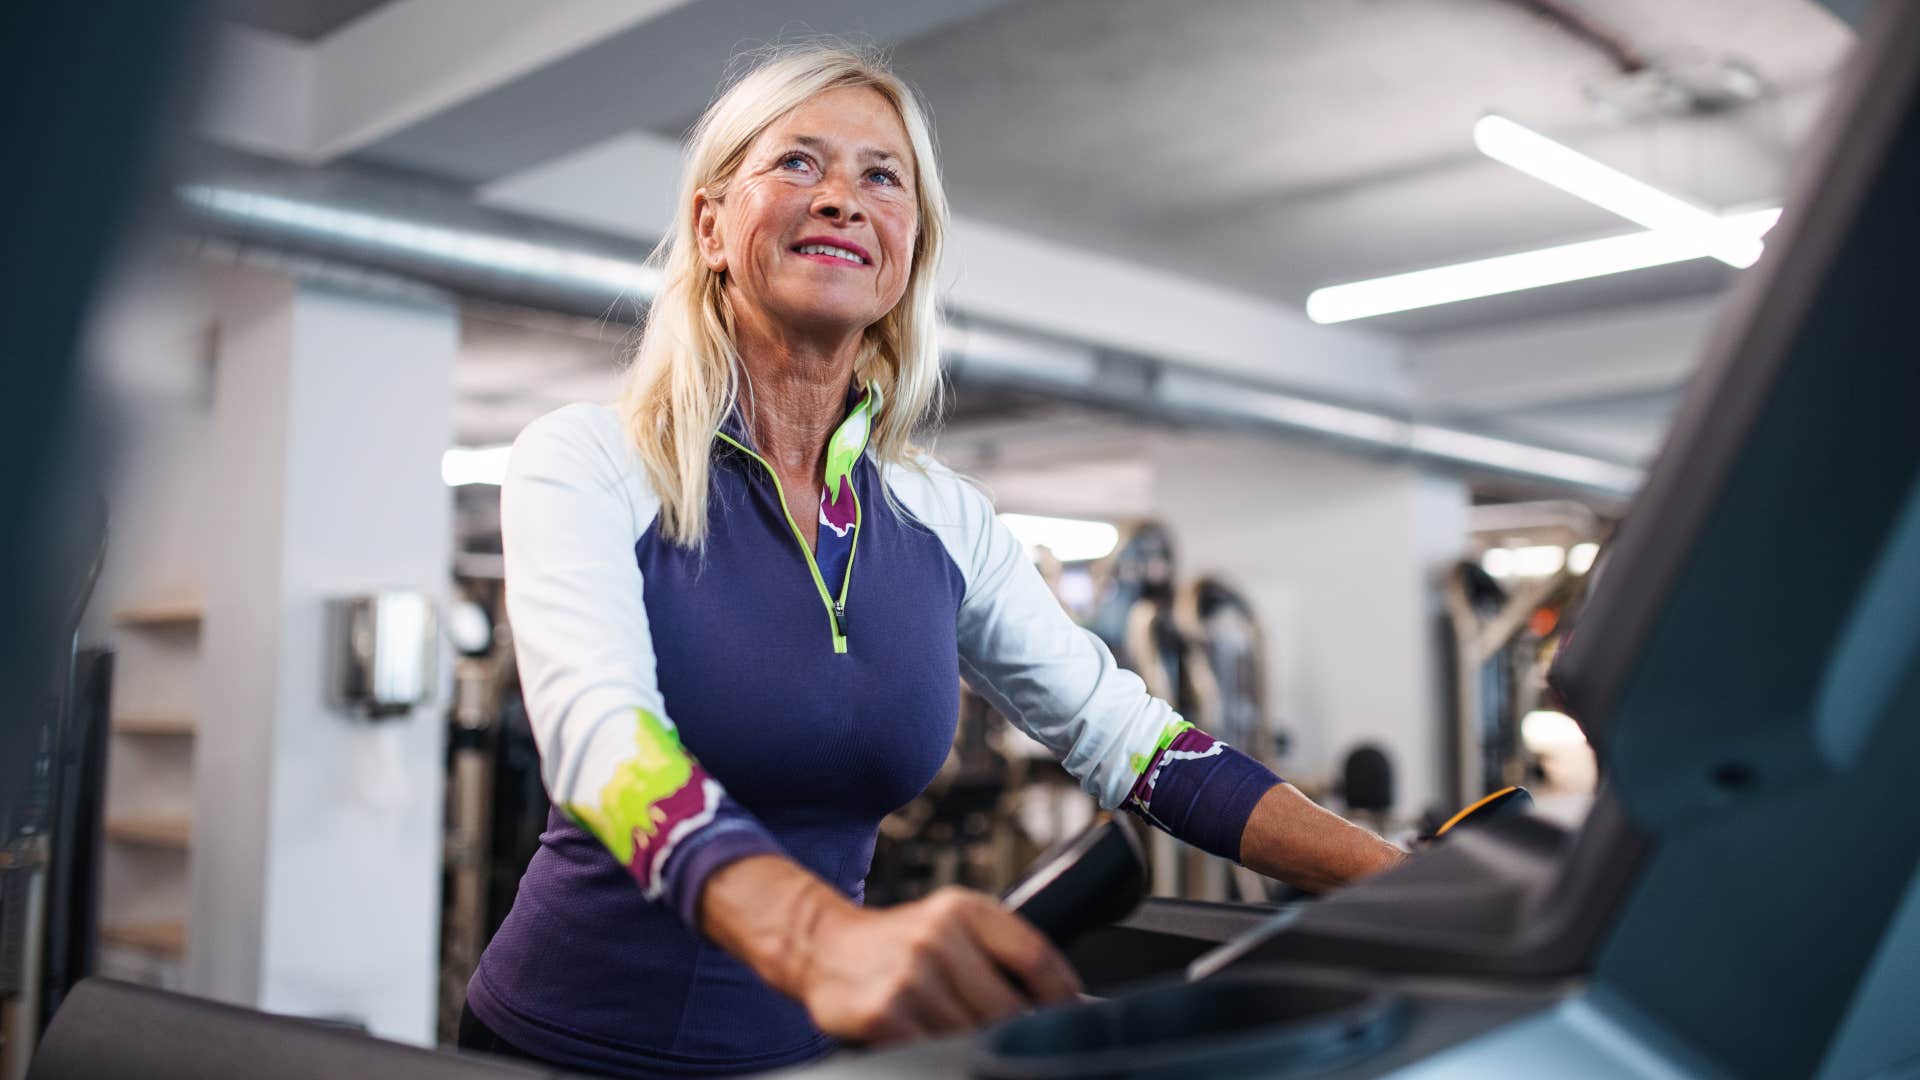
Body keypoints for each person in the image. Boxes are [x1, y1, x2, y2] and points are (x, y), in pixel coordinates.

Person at [458, 41, 1406, 1079]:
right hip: (559, 1047)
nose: (842, 200)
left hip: (810, 1056)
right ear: (711, 228)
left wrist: (1406, 884)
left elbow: (1133, 741)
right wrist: (818, 940)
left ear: (909, 246)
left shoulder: (942, 518)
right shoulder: (590, 462)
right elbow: (600, 740)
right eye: (797, 165)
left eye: (882, 177)